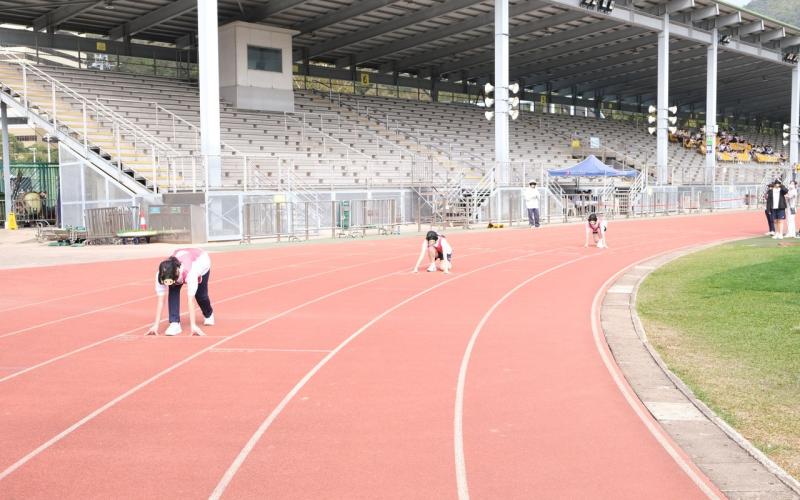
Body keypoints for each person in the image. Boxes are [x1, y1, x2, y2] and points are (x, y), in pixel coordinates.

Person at [147, 248, 214, 336]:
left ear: (176, 272)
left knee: (201, 295)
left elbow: (190, 301)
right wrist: (156, 325)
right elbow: (161, 301)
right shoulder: (161, 274)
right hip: (181, 263)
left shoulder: (191, 272)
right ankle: (174, 323)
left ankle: (208, 314)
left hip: (201, 261)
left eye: (171, 280)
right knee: (173, 291)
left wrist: (193, 326)